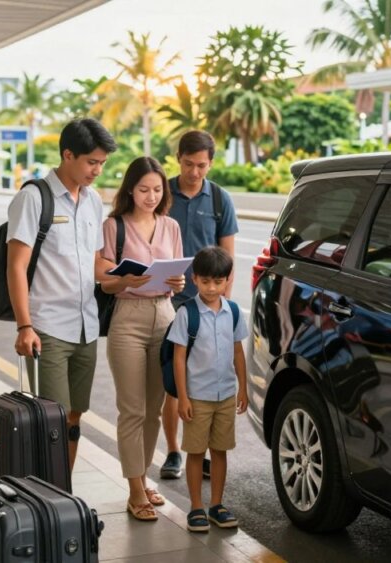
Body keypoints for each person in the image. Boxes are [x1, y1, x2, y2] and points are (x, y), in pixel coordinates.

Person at [7, 118, 117, 476]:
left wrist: (130, 277)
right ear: (67, 154)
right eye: (91, 162)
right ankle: (47, 490)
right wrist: (25, 326)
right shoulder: (33, 197)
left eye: (102, 163)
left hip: (86, 325)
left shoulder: (94, 201)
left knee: (73, 416)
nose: (97, 170)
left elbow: (97, 265)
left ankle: (63, 489)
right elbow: (16, 267)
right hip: (48, 328)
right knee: (51, 417)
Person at [95, 156, 186, 522]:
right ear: (130, 189)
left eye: (158, 189)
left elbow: (177, 271)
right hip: (128, 319)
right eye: (144, 189)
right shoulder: (113, 227)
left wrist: (178, 282)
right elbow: (102, 278)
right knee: (132, 409)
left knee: (154, 410)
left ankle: (144, 478)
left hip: (165, 315)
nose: (151, 196)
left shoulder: (171, 226)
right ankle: (135, 490)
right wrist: (123, 281)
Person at [160, 130, 239, 481]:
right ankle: (175, 451)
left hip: (206, 301)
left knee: (204, 378)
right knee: (173, 381)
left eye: (202, 166)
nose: (195, 172)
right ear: (178, 158)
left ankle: (200, 450)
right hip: (167, 299)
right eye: (189, 164)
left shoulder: (220, 199)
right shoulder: (161, 193)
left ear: (211, 162)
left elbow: (228, 259)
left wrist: (220, 304)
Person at [168, 246, 249, 533]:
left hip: (225, 394)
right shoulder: (186, 313)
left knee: (220, 451)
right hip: (197, 397)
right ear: (194, 279)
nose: (212, 288)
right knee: (194, 452)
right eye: (205, 282)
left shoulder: (234, 311)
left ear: (227, 280)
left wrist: (243, 388)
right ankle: (196, 507)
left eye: (218, 282)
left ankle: (216, 504)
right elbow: (179, 357)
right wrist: (182, 397)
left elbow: (238, 352)